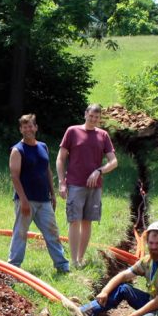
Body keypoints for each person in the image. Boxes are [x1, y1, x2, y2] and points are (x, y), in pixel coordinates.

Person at [56, 104, 118, 270]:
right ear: (85, 115)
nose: (93, 120)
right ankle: (74, 260)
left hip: (94, 186)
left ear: (100, 119)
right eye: (91, 116)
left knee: (87, 221)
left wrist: (99, 171)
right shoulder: (72, 131)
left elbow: (114, 162)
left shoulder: (103, 135)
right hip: (75, 183)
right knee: (74, 220)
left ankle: (80, 259)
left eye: (97, 118)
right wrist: (62, 182)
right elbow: (61, 158)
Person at [8, 114, 70, 273]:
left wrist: (53, 194)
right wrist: (23, 200)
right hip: (26, 200)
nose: (28, 129)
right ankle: (14, 267)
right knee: (20, 234)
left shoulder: (43, 146)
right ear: (21, 129)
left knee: (52, 232)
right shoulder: (17, 150)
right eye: (24, 126)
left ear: (36, 127)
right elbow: (14, 176)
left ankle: (62, 266)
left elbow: (47, 171)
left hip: (44, 200)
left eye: (31, 126)